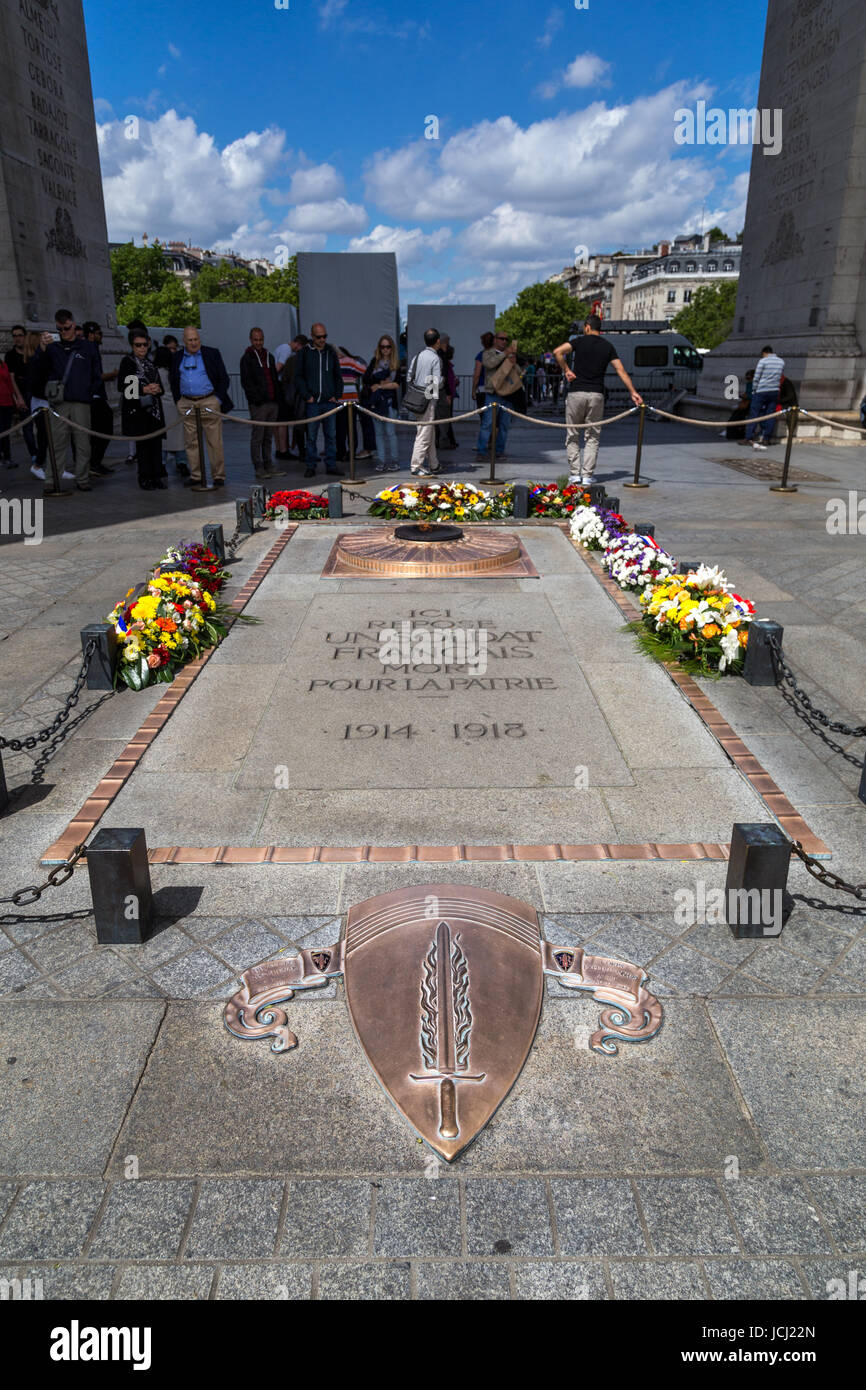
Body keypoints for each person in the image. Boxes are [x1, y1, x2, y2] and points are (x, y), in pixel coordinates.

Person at [553, 315, 643, 485]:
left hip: (576, 392)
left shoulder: (578, 342)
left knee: (572, 434)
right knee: (592, 436)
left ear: (587, 327)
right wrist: (633, 392)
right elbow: (621, 370)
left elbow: (557, 352)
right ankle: (587, 475)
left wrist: (567, 370)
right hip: (596, 394)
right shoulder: (607, 346)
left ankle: (575, 474)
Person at [34, 308, 103, 491]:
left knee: (83, 443)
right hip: (59, 402)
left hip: (81, 401)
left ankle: (82, 478)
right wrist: (41, 349)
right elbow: (39, 371)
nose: (63, 332)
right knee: (57, 442)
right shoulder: (52, 347)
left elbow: (97, 374)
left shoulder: (88, 347)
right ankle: (51, 479)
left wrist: (89, 393)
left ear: (74, 325)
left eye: (66, 328)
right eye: (60, 329)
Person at [169, 326, 233, 490]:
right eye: (190, 340)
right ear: (184, 341)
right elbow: (173, 380)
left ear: (200, 339)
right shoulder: (177, 357)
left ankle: (218, 476)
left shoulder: (212, 353)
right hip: (187, 403)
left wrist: (217, 399)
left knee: (214, 441)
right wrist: (178, 401)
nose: (194, 343)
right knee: (191, 442)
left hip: (209, 401)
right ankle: (196, 476)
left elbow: (223, 378)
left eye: (196, 339)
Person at [294, 323, 344, 479]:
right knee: (311, 436)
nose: (322, 339)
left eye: (324, 336)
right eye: (319, 337)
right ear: (312, 336)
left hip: (329, 402)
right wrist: (307, 395)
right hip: (313, 403)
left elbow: (338, 375)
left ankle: (331, 465)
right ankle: (310, 466)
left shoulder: (331, 352)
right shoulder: (304, 353)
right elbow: (298, 376)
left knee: (331, 435)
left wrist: (337, 395)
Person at [119, 328, 166, 490]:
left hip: (154, 410)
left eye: (144, 345)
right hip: (138, 411)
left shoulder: (151, 363)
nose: (142, 348)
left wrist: (157, 389)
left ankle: (157, 476)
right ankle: (145, 477)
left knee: (156, 445)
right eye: (138, 345)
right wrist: (143, 389)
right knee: (143, 447)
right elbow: (123, 387)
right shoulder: (128, 362)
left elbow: (161, 386)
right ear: (132, 346)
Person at [240, 328, 285, 480]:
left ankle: (269, 464)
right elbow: (246, 382)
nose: (258, 342)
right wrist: (257, 400)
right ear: (250, 340)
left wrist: (277, 399)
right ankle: (258, 467)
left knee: (268, 436)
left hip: (272, 402)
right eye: (255, 340)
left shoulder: (269, 356)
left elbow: (274, 377)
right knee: (257, 436)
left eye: (260, 339)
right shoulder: (247, 358)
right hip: (258, 404)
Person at [476, 330, 523, 460]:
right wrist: (505, 354)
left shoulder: (509, 355)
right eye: (501, 338)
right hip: (493, 393)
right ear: (495, 339)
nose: (504, 341)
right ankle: (481, 451)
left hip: (508, 395)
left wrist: (513, 362)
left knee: (504, 426)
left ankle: (499, 451)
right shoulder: (488, 353)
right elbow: (489, 364)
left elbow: (519, 372)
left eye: (506, 339)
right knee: (487, 424)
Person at [82, 322, 116, 476]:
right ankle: (94, 462)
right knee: (104, 429)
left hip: (95, 395)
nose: (101, 336)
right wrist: (112, 375)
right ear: (91, 334)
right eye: (99, 333)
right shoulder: (90, 349)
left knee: (100, 430)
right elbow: (95, 375)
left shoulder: (90, 348)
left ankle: (94, 462)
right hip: (94, 396)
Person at [363, 333, 401, 472]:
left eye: (388, 347)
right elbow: (366, 379)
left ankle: (395, 461)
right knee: (378, 433)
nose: (385, 349)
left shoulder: (395, 363)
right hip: (376, 402)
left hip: (390, 403)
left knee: (390, 432)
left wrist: (379, 385)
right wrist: (383, 382)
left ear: (392, 348)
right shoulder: (374, 361)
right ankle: (381, 461)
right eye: (382, 347)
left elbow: (396, 384)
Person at [408, 327, 442, 477]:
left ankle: (434, 464)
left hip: (416, 399)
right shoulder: (435, 358)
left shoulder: (418, 356)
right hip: (427, 400)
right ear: (438, 341)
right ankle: (416, 465)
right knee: (424, 433)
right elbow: (435, 382)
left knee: (428, 432)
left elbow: (409, 377)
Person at [4, 324, 38, 464]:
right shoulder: (10, 355)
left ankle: (43, 453)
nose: (17, 338)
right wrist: (18, 398)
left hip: (36, 392)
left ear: (25, 336)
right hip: (23, 393)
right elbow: (11, 378)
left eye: (20, 335)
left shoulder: (32, 352)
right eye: (14, 336)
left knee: (42, 425)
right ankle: (34, 454)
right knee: (27, 427)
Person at [154, 345, 189, 476]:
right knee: (180, 437)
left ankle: (162, 464)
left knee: (163, 438)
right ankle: (182, 462)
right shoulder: (175, 371)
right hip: (176, 406)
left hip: (162, 407)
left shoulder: (155, 372)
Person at [745, 345, 785, 449]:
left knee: (754, 414)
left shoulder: (763, 361)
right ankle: (766, 438)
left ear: (764, 353)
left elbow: (756, 377)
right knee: (770, 415)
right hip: (774, 391)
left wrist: (754, 390)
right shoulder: (781, 362)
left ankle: (749, 437)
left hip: (761, 391)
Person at [23, 332, 50, 479]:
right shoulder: (34, 361)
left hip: (42, 401)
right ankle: (38, 464)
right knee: (44, 436)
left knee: (50, 436)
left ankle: (54, 465)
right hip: (41, 402)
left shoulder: (36, 360)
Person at [0, 354, 26, 466]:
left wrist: (15, 399)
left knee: (6, 431)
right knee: (1, 430)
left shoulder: (3, 365)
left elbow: (9, 384)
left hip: (7, 402)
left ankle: (7, 457)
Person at [435, 335, 458, 451]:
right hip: (441, 391)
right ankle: (443, 441)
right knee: (444, 418)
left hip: (435, 389)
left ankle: (438, 441)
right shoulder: (441, 357)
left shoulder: (434, 355)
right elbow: (444, 377)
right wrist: (448, 393)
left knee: (438, 417)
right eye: (447, 343)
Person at [473, 331, 493, 415]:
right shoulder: (498, 355)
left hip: (483, 389)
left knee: (484, 416)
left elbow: (477, 375)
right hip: (496, 389)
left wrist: (473, 390)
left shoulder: (481, 355)